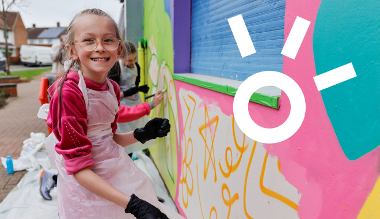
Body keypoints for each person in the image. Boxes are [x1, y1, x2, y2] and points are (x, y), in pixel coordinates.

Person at [45, 8, 169, 218]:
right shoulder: (69, 93)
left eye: (108, 40)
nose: (100, 47)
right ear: (72, 50)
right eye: (89, 40)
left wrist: (141, 134)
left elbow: (106, 142)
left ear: (119, 50)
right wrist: (133, 205)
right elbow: (78, 168)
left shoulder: (112, 88)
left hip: (113, 174)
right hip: (86, 186)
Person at [108, 41, 159, 155]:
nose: (133, 62)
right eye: (129, 60)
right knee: (124, 135)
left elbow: (135, 82)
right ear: (120, 58)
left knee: (136, 130)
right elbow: (112, 94)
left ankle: (131, 156)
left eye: (135, 59)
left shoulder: (137, 66)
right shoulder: (115, 68)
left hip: (135, 101)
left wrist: (138, 89)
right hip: (123, 104)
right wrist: (127, 93)